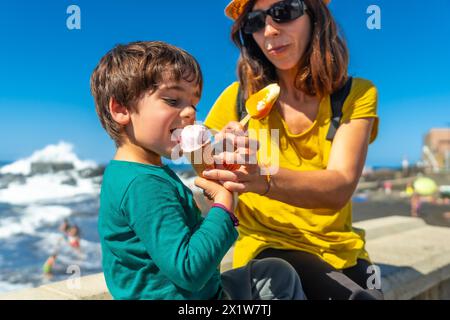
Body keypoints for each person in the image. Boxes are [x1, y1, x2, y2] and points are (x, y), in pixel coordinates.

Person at [90, 41, 305, 300]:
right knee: (278, 280)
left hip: (202, 291)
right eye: (172, 100)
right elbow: (190, 270)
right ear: (121, 109)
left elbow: (180, 237)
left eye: (194, 104)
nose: (190, 112)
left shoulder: (133, 172)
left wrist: (215, 160)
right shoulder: (144, 184)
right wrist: (225, 207)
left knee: (276, 272)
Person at [203, 0, 383, 300]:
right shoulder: (236, 99)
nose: (270, 30)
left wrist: (263, 178)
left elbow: (339, 186)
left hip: (342, 249)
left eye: (283, 12)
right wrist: (217, 149)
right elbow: (200, 161)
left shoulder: (356, 94)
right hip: (269, 249)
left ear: (314, 15)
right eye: (255, 22)